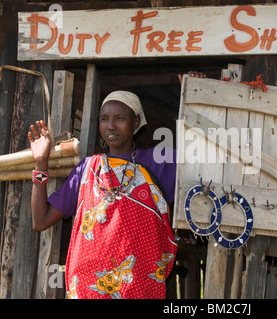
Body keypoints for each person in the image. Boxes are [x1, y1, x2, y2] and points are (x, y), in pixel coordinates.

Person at [28, 91, 177, 299]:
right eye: (104, 119)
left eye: (120, 118)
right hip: (88, 289)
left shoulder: (158, 161)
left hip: (138, 290)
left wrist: (199, 92)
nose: (110, 126)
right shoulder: (87, 170)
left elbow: (204, 153)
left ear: (135, 123)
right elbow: (40, 220)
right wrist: (41, 162)